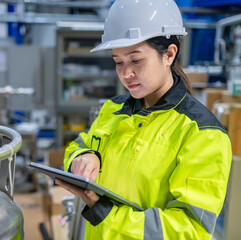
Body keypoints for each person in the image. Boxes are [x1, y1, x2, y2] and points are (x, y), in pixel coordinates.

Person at [55, 0, 232, 239]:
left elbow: (190, 230)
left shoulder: (202, 133)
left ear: (169, 54)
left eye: (136, 60)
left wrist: (106, 213)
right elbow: (78, 146)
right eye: (118, 62)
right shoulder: (113, 108)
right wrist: (85, 157)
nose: (126, 74)